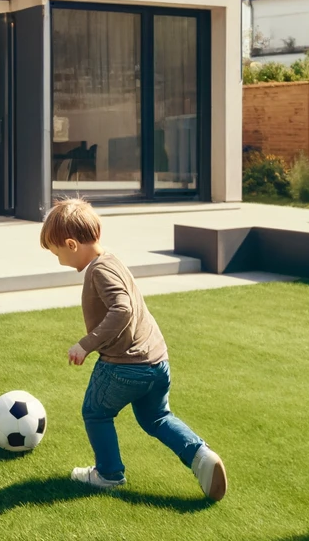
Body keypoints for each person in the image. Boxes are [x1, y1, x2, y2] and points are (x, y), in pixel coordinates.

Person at [40, 198, 228, 501]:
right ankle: (201, 456)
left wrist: (85, 344)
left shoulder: (98, 271)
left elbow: (123, 309)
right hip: (157, 362)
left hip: (124, 366)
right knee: (157, 417)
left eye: (56, 252)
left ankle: (108, 474)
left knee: (95, 412)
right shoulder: (112, 260)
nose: (58, 258)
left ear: (72, 245)